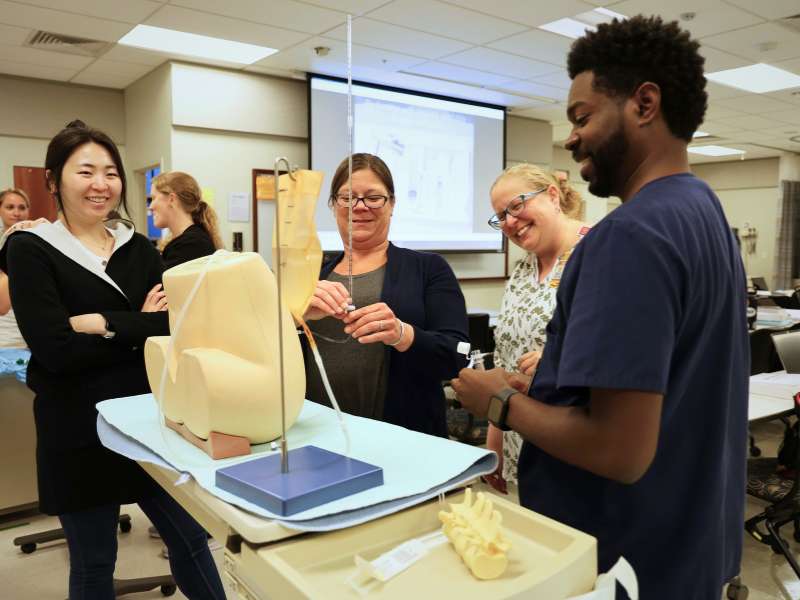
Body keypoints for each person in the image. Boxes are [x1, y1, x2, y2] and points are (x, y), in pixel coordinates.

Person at [452, 15, 747, 600]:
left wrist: (499, 401)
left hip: (623, 560)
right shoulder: (702, 210)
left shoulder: (630, 235)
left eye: (583, 117)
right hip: (685, 543)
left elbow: (619, 449)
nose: (570, 138)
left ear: (644, 104)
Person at [0, 120, 226, 599]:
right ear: (54, 179)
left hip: (149, 424)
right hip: (78, 429)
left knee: (190, 539)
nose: (101, 184)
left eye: (110, 172)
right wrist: (134, 322)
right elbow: (55, 351)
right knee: (93, 561)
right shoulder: (30, 248)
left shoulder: (138, 247)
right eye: (85, 171)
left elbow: (173, 327)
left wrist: (102, 321)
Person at [303, 153, 469, 436]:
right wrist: (293, 316)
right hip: (318, 434)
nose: (360, 206)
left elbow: (458, 356)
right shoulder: (311, 274)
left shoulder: (428, 269)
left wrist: (402, 334)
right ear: (333, 206)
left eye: (373, 197)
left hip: (401, 437)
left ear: (391, 204)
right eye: (348, 197)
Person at [484, 165, 588, 494]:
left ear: (553, 196)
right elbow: (505, 359)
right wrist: (495, 438)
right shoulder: (523, 269)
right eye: (501, 216)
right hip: (521, 439)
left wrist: (557, 358)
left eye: (517, 205)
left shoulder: (597, 252)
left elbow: (627, 349)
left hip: (578, 441)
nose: (510, 222)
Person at [149, 171, 222, 269]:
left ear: (172, 199)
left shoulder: (191, 245)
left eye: (154, 198)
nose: (151, 206)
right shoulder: (187, 242)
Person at [0, 188, 31, 347]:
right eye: (10, 207)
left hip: (30, 325)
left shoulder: (38, 242)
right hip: (4, 331)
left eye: (22, 207)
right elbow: (2, 305)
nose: (16, 213)